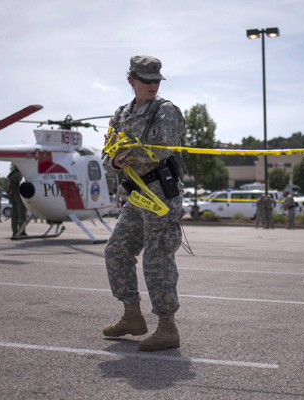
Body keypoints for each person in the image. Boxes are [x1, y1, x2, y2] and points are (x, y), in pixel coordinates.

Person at [102, 55, 185, 352]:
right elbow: (108, 151)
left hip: (161, 193)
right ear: (131, 80)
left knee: (156, 258)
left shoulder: (166, 110)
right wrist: (114, 159)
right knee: (116, 251)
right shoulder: (121, 114)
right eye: (147, 80)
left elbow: (163, 148)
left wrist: (129, 156)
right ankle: (132, 317)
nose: (152, 85)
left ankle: (167, 328)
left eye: (156, 80)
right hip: (136, 194)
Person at [8, 165, 27, 237]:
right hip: (18, 196)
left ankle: (15, 230)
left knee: (15, 213)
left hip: (14, 195)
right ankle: (21, 231)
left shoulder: (13, 174)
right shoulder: (17, 175)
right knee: (21, 212)